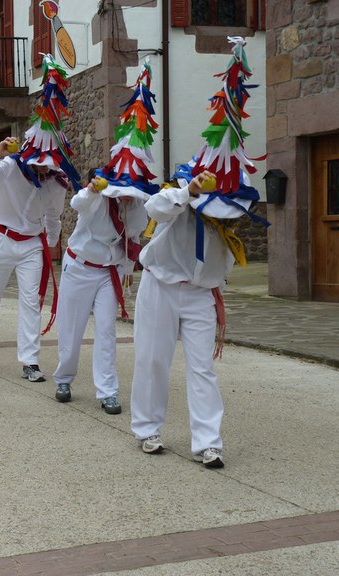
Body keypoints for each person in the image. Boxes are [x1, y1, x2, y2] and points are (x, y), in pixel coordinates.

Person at [0, 55, 79, 382]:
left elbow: (54, 216)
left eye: (48, 163)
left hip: (31, 245)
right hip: (0, 239)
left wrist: (53, 244)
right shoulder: (10, 166)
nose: (43, 168)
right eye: (39, 163)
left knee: (32, 301)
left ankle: (30, 361)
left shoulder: (56, 181)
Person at [129, 169, 233, 467]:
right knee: (152, 359)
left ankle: (208, 443)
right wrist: (190, 192)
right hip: (160, 284)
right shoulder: (178, 188)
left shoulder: (231, 196)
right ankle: (147, 429)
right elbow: (154, 208)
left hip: (201, 292)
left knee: (202, 367)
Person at [53, 169, 147, 414]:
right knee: (71, 328)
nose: (127, 196)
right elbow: (77, 203)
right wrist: (92, 190)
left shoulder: (137, 205)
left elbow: (134, 237)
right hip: (79, 267)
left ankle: (108, 391)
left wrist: (128, 270)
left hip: (109, 271)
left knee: (106, 330)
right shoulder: (96, 198)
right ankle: (64, 378)